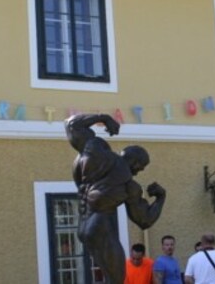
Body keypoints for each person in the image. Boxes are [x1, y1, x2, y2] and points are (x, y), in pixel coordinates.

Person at [66, 113, 167, 284]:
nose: (138, 172)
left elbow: (72, 125)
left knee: (109, 277)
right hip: (101, 226)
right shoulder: (129, 185)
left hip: (83, 226)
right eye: (140, 168)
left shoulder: (96, 153)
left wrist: (103, 118)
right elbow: (144, 220)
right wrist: (161, 197)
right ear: (135, 162)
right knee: (116, 280)